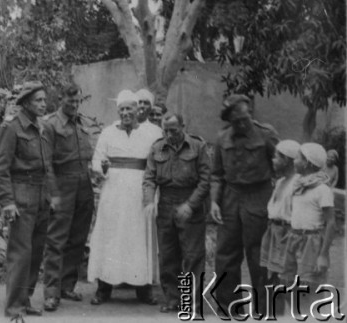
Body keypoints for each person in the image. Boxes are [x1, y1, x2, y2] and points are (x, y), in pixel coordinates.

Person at [0, 81, 59, 321]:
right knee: (20, 254)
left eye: (44, 100)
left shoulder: (42, 127)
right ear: (26, 102)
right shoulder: (10, 128)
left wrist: (52, 195)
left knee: (35, 252)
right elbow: (0, 167)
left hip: (41, 196)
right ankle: (14, 309)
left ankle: (25, 300)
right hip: (21, 196)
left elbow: (47, 165)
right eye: (38, 100)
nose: (43, 104)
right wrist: (7, 202)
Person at [88, 89, 162, 305]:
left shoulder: (153, 133)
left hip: (140, 194)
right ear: (118, 111)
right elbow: (96, 161)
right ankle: (104, 289)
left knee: (139, 239)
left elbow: (159, 162)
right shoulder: (108, 132)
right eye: (122, 109)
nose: (126, 112)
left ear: (138, 109)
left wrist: (154, 193)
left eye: (130, 108)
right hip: (113, 193)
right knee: (110, 237)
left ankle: (143, 290)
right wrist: (100, 168)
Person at [210, 94, 279, 317]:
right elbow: (217, 175)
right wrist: (214, 202)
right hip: (230, 197)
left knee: (260, 254)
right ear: (228, 120)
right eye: (236, 120)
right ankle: (229, 307)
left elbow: (280, 167)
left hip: (259, 195)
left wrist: (279, 201)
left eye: (245, 118)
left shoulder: (266, 134)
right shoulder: (222, 138)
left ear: (250, 113)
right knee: (225, 254)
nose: (242, 123)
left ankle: (266, 309)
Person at [143, 113, 211, 314]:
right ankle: (172, 299)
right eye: (166, 130)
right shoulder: (157, 147)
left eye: (174, 130)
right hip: (165, 204)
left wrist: (190, 205)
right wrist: (148, 201)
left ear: (184, 126)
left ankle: (191, 302)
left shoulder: (198, 147)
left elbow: (206, 180)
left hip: (191, 204)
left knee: (192, 256)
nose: (169, 134)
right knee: (167, 255)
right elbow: (149, 178)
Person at [42, 84, 95, 311]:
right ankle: (51, 293)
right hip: (62, 185)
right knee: (56, 240)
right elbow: (46, 164)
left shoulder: (80, 123)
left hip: (84, 185)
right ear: (60, 99)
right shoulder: (51, 124)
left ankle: (67, 286)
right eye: (70, 101)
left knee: (78, 238)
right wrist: (53, 194)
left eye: (77, 102)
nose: (74, 105)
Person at [281, 143, 336, 311]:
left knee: (310, 287)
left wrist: (323, 255)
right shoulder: (298, 185)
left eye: (298, 158)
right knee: (287, 284)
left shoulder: (322, 189)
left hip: (311, 243)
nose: (294, 161)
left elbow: (331, 222)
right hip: (294, 239)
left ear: (308, 163)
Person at [259, 139, 300, 315]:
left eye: (277, 157)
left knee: (288, 281)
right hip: (274, 233)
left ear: (288, 160)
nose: (273, 160)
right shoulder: (281, 181)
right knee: (273, 281)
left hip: (288, 235)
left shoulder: (298, 184)